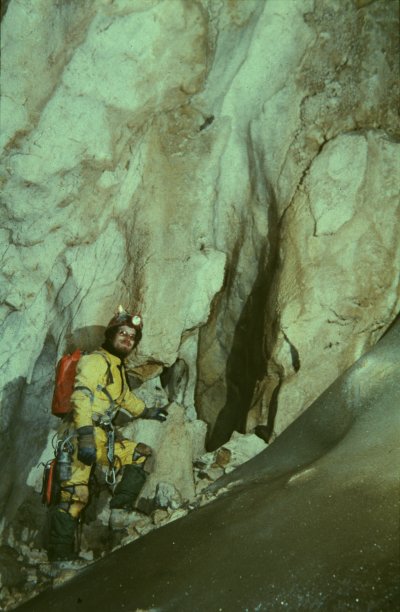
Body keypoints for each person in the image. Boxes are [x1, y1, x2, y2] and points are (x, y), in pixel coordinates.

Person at [47, 307, 167, 563]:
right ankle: (58, 558)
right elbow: (81, 396)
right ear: (111, 334)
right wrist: (85, 435)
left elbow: (124, 397)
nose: (127, 339)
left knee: (141, 455)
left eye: (132, 337)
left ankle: (119, 512)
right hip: (81, 435)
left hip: (102, 437)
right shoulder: (95, 361)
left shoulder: (116, 367)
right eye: (122, 333)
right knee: (75, 495)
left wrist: (147, 411)